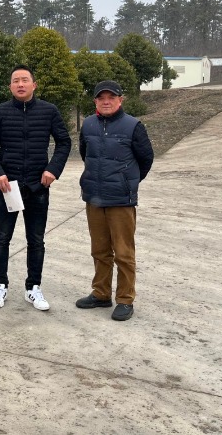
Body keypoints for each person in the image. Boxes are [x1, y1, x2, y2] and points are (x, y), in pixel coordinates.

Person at [0, 65, 71, 311]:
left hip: (37, 186)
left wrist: (53, 170)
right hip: (8, 186)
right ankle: (0, 284)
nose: (20, 84)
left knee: (36, 240)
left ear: (34, 84)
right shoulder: (0, 112)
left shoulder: (49, 111)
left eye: (24, 80)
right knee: (2, 238)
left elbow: (64, 142)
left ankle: (33, 288)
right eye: (15, 81)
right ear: (10, 86)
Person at [76, 80, 154, 321]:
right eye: (101, 98)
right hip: (94, 198)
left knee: (123, 252)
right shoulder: (88, 124)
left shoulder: (133, 126)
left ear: (121, 100)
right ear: (95, 101)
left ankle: (125, 299)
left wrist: (126, 182)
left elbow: (146, 159)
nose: (106, 101)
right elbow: (85, 154)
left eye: (111, 97)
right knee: (99, 250)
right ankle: (101, 293)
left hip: (121, 200)